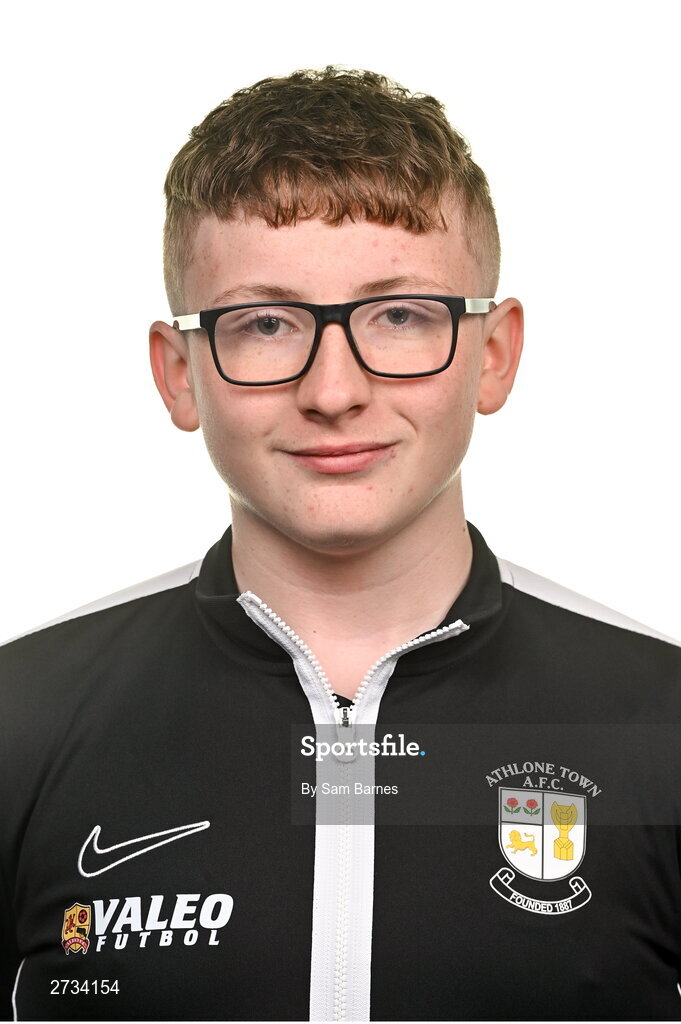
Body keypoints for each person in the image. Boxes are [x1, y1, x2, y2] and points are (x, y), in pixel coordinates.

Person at [1, 65, 679, 1023]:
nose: (332, 391)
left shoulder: (660, 722)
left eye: (399, 315)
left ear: (492, 354)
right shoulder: (18, 719)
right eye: (265, 323)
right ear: (180, 373)